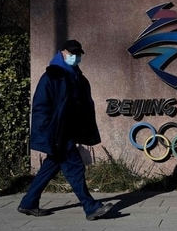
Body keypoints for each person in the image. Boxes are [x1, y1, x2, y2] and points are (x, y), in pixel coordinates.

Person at [18, 40, 113, 221]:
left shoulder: (77, 77)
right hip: (58, 133)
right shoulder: (52, 76)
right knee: (75, 167)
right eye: (72, 53)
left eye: (78, 54)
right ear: (62, 52)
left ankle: (28, 203)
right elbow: (41, 107)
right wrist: (48, 132)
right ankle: (90, 206)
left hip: (69, 131)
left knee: (51, 166)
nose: (75, 56)